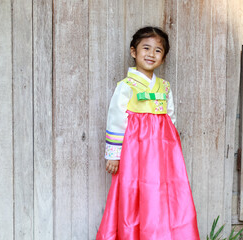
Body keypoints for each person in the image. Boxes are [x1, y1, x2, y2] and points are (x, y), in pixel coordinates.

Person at [96, 26, 200, 240]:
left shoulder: (164, 87)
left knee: (162, 192)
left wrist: (174, 152)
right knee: (134, 191)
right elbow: (116, 118)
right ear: (134, 52)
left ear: (164, 57)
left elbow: (170, 118)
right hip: (135, 152)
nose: (151, 54)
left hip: (162, 152)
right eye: (146, 48)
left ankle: (162, 233)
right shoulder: (127, 86)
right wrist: (113, 155)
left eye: (158, 50)